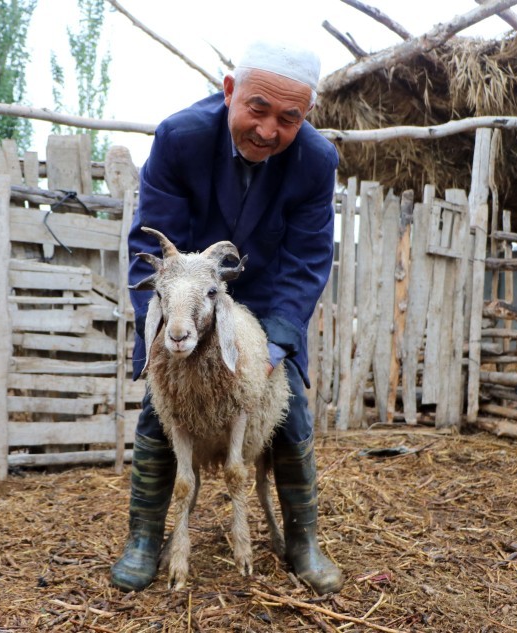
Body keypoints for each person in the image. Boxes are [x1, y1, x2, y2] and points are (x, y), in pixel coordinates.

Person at [110, 40, 342, 595]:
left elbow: (308, 258)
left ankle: (303, 539)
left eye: (289, 118)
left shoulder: (316, 161)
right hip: (191, 293)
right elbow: (157, 244)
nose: (268, 130)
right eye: (257, 109)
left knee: (290, 413)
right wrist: (167, 327)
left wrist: (277, 346)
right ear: (229, 90)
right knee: (161, 407)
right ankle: (144, 537)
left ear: (305, 115)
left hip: (264, 302)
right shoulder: (181, 137)